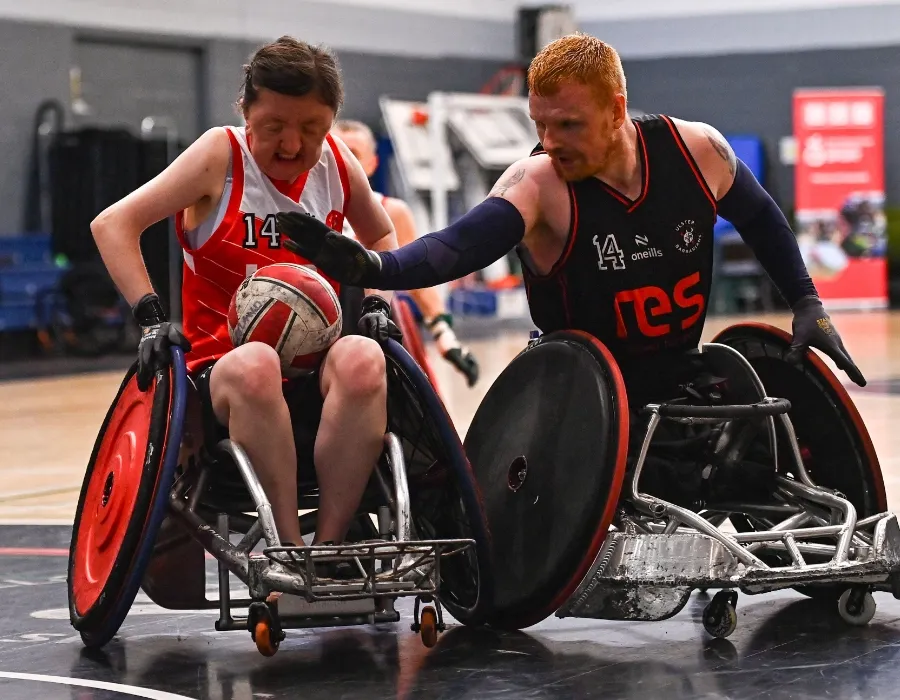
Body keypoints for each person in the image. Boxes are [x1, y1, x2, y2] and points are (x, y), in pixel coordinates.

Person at [276, 32, 866, 409]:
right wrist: (368, 263)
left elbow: (764, 220)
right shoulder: (537, 184)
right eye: (540, 124)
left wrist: (807, 301)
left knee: (771, 413)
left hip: (683, 370)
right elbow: (454, 249)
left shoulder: (697, 151)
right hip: (581, 389)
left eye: (568, 125)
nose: (550, 142)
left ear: (616, 109)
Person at [90, 36, 401, 560]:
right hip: (221, 374)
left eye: (311, 130)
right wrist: (150, 316)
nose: (291, 145)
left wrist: (375, 302)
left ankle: (329, 546)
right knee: (256, 361)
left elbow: (383, 237)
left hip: (312, 373)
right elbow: (114, 224)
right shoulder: (221, 155)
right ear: (246, 113)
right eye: (275, 127)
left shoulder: (336, 165)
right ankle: (289, 548)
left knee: (364, 357)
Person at [331, 119, 480, 387]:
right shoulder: (304, 205)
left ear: (372, 163)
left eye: (353, 154)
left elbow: (417, 277)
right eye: (336, 152)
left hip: (375, 321)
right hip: (319, 322)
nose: (344, 162)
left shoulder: (391, 210)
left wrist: (445, 336)